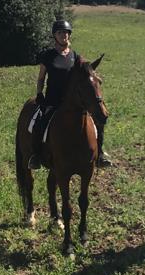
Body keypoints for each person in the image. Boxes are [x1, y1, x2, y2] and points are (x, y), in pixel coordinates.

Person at [28, 19, 112, 170]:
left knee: (97, 119)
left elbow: (88, 71)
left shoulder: (75, 56)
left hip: (73, 100)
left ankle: (100, 154)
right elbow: (41, 78)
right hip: (53, 99)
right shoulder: (48, 56)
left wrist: (95, 78)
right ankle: (36, 156)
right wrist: (39, 93)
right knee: (40, 121)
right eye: (60, 33)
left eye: (66, 32)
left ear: (69, 35)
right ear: (55, 36)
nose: (63, 35)